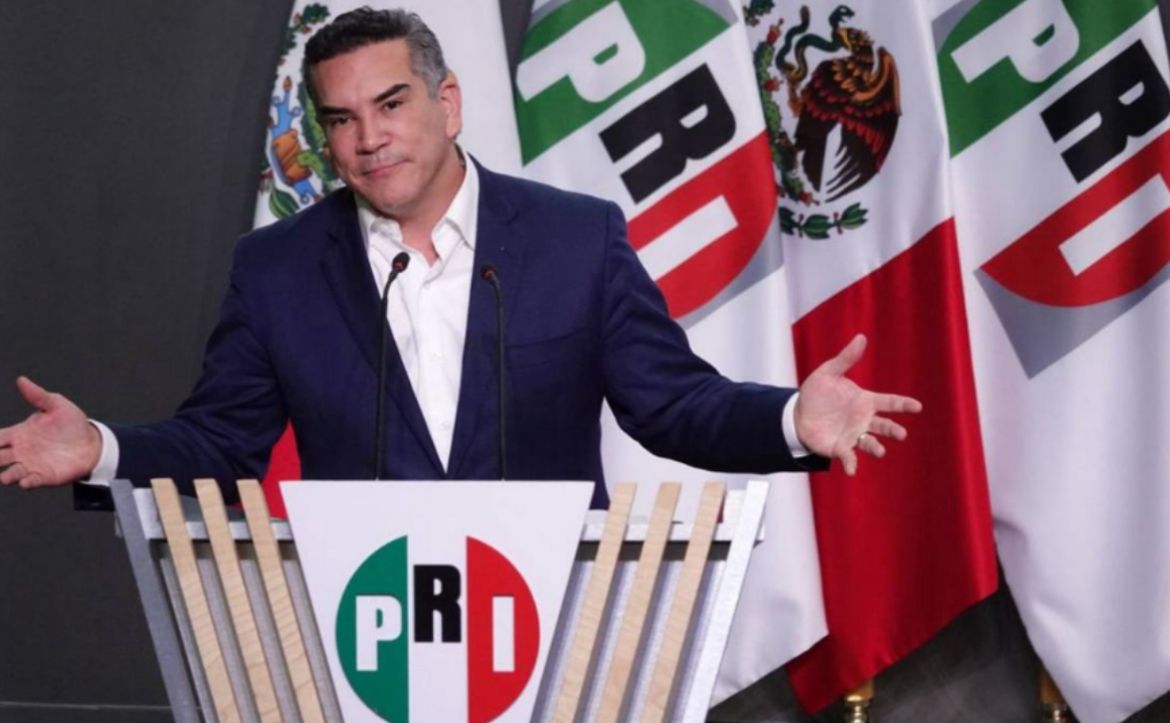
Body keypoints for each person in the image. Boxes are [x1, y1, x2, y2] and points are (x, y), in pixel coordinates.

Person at [0, 8, 919, 508]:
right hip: (366, 633)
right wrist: (103, 449)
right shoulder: (275, 269)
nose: (369, 138)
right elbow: (220, 444)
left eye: (391, 104)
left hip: (556, 624)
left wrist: (791, 418)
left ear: (447, 102)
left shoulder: (576, 239)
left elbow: (675, 404)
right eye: (342, 119)